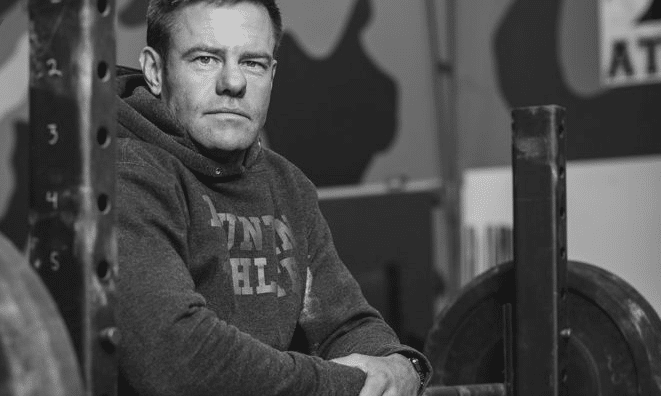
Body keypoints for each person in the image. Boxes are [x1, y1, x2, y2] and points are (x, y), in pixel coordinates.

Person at [114, 0, 431, 394]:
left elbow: (345, 325)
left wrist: (401, 365)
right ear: (155, 71)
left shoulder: (287, 185)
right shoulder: (124, 174)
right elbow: (179, 358)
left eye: (253, 63)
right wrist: (345, 385)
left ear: (272, 74)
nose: (233, 82)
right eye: (206, 59)